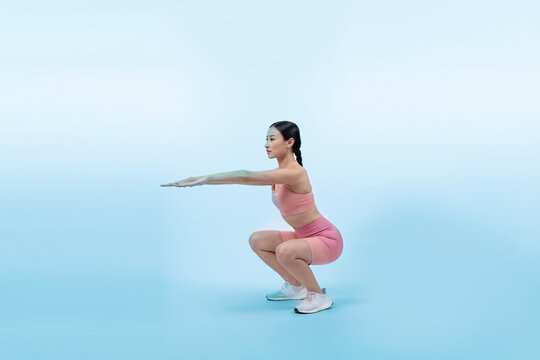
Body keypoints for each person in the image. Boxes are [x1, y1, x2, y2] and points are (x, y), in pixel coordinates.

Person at [161, 121, 343, 314]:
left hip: (327, 240)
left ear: (289, 142)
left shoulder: (295, 173)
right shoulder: (280, 173)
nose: (266, 144)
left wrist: (205, 179)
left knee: (284, 251)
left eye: (272, 139)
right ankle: (296, 285)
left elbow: (245, 176)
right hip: (306, 236)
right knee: (258, 240)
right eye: (266, 139)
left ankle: (319, 296)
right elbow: (246, 177)